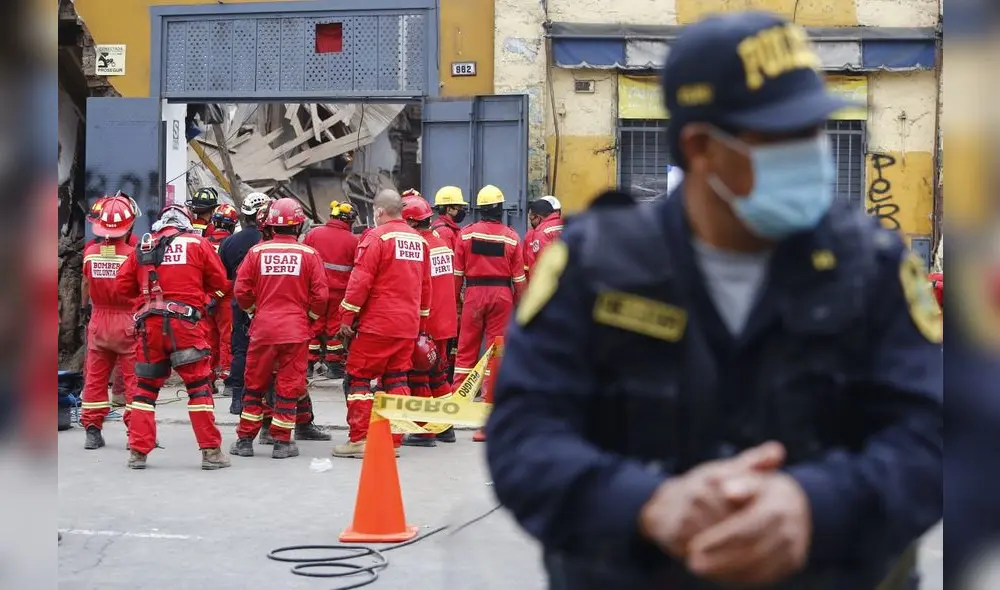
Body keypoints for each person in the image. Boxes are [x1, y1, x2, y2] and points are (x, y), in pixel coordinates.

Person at [486, 11, 942, 590]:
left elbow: (936, 433)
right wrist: (645, 503)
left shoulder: (871, 266)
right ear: (702, 146)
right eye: (785, 136)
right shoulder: (593, 266)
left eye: (815, 130)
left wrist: (814, 504)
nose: (814, 151)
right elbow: (523, 439)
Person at [115, 204, 232, 470]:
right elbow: (220, 280)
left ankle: (137, 452)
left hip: (149, 329)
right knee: (199, 387)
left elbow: (123, 285)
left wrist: (143, 304)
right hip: (186, 326)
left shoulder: (143, 247)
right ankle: (211, 453)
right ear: (186, 221)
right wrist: (200, 296)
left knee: (145, 390)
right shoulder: (196, 243)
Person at [333, 190, 431, 458]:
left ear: (378, 211)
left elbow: (360, 281)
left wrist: (346, 317)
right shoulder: (419, 241)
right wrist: (421, 326)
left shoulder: (376, 237)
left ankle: (360, 440)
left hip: (377, 324)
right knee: (397, 379)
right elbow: (426, 288)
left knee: (359, 379)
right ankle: (392, 440)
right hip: (407, 326)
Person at [229, 198, 329, 459]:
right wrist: (307, 318)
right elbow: (321, 296)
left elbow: (241, 290)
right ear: (298, 226)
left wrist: (253, 311)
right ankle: (282, 443)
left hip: (263, 329)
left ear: (271, 226)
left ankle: (244, 440)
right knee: (288, 386)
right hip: (295, 330)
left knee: (254, 384)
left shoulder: (256, 253)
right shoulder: (309, 255)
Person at [453, 184, 526, 441]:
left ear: (480, 210)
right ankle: (490, 400)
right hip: (502, 296)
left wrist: (456, 300)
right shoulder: (511, 237)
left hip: (474, 294)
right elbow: (518, 279)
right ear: (501, 209)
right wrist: (520, 305)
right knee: (496, 352)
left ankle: (458, 402)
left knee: (466, 349)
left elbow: (457, 274)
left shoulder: (465, 235)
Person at [79, 195, 138, 449]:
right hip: (127, 321)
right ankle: (136, 432)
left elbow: (84, 284)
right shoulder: (134, 255)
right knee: (136, 379)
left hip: (98, 320)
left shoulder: (91, 253)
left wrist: (84, 310)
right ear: (129, 226)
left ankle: (92, 431)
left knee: (95, 378)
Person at [400, 195, 459, 447]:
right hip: (444, 322)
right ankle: (445, 426)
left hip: (428, 322)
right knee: (437, 375)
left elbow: (416, 289)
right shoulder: (440, 243)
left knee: (418, 377)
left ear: (412, 223)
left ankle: (424, 432)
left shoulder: (420, 247)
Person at [217, 191, 271, 414]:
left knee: (240, 348)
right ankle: (265, 399)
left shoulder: (229, 242)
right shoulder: (268, 240)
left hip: (239, 302)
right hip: (268, 301)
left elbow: (226, 274)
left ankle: (237, 398)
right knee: (269, 352)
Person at [302, 200, 360, 378]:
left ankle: (308, 364)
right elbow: (358, 268)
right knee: (334, 326)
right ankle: (334, 366)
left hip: (315, 290)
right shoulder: (353, 241)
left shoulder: (313, 234)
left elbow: (304, 259)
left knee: (314, 324)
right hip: (340, 293)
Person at [205, 203, 239, 384]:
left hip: (205, 298)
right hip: (225, 298)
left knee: (209, 337)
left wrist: (208, 296)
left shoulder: (204, 242)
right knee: (227, 337)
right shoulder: (232, 243)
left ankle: (208, 374)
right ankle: (227, 375)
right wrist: (218, 294)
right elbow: (230, 275)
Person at [523, 196, 565, 281]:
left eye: (531, 218)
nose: (531, 222)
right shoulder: (566, 225)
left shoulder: (541, 232)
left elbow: (542, 262)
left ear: (538, 217)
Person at [430, 185, 468, 254]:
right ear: (449, 209)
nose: (462, 210)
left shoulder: (439, 226)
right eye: (459, 207)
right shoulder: (445, 232)